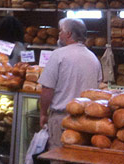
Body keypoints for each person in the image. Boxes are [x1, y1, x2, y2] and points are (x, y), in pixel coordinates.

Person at [38, 18, 102, 155]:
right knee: (79, 158)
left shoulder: (58, 55)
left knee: (59, 157)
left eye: (61, 31)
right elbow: (97, 89)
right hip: (86, 121)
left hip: (62, 119)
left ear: (68, 34)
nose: (59, 34)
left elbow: (47, 89)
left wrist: (43, 113)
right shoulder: (93, 58)